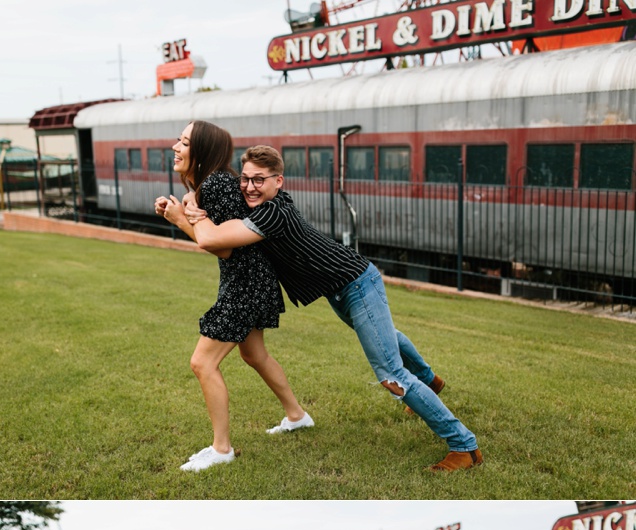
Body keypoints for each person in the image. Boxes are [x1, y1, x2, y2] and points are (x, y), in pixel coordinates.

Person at [182, 144, 483, 472]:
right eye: (245, 179)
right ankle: (428, 380)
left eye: (259, 180)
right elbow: (222, 224)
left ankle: (464, 446)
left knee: (390, 376)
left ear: (278, 181)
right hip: (340, 290)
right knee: (387, 338)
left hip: (357, 285)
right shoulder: (263, 206)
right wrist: (194, 202)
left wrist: (186, 215)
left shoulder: (272, 214)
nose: (249, 187)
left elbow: (215, 239)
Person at [155, 122, 311, 473]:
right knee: (254, 354)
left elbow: (224, 247)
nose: (175, 147)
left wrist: (180, 219)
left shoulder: (216, 184)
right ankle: (297, 415)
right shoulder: (213, 183)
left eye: (184, 142)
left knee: (202, 363)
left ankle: (221, 449)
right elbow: (216, 235)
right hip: (250, 281)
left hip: (246, 284)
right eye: (178, 140)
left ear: (202, 150)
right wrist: (181, 211)